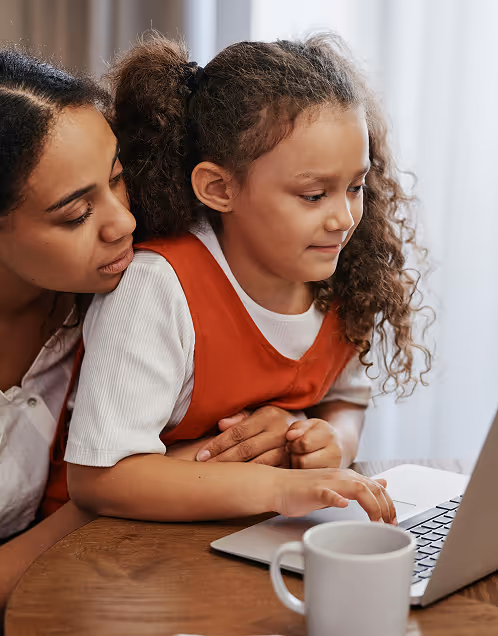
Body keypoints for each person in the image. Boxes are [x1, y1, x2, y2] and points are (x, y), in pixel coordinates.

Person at [66, 34, 430, 525]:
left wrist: (329, 445)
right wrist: (281, 486)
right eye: (313, 195)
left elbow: (346, 400)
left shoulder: (339, 274)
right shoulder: (156, 287)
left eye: (355, 187)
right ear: (219, 188)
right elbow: (99, 481)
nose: (345, 218)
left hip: (244, 539)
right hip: (112, 552)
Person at [0, 47, 135, 614]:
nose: (122, 222)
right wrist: (111, 494)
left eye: (118, 179)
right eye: (76, 214)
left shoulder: (112, 298)